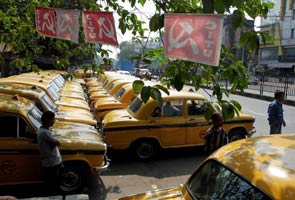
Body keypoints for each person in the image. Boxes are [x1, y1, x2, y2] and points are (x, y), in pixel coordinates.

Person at [37, 111, 64, 192]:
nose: (54, 121)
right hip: (51, 163)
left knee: (52, 183)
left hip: (51, 161)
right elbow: (58, 143)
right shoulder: (45, 133)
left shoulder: (42, 130)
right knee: (53, 184)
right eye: (53, 119)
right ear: (49, 120)